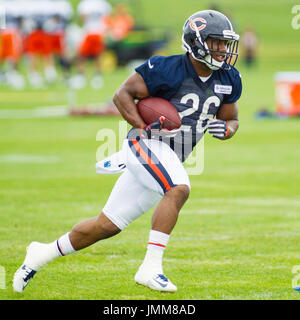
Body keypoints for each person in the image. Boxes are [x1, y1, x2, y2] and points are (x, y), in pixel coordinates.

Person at [13, 10, 242, 293]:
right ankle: (151, 267)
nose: (223, 50)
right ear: (196, 43)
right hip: (144, 145)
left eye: (225, 43)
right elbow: (122, 94)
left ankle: (41, 253)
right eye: (216, 42)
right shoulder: (166, 68)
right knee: (179, 188)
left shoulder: (229, 78)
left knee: (107, 225)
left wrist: (228, 129)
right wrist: (142, 126)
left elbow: (231, 118)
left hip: (170, 155)